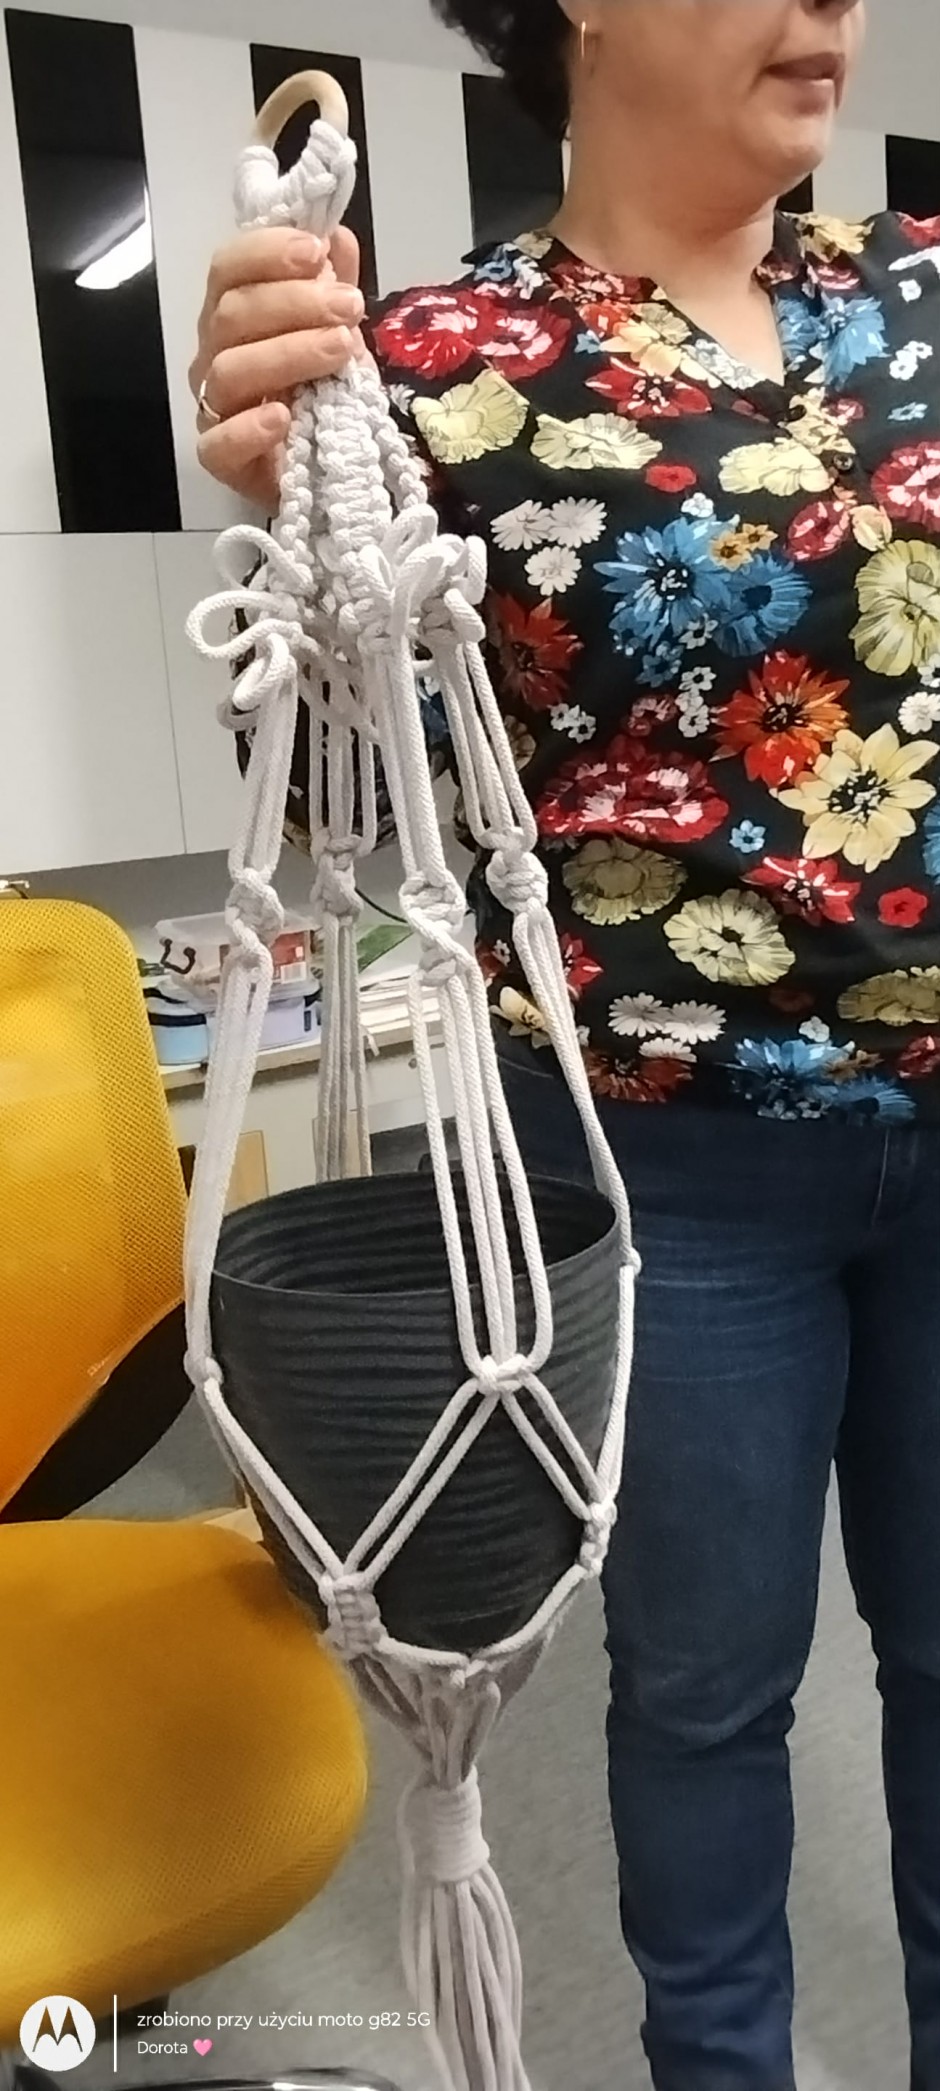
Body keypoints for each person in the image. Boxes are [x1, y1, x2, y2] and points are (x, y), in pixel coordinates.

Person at [189, 4, 940, 2084]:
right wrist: (286, 514)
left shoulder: (919, 292)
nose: (833, 5)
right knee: (704, 1694)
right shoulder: (431, 367)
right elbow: (344, 801)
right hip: (663, 1162)